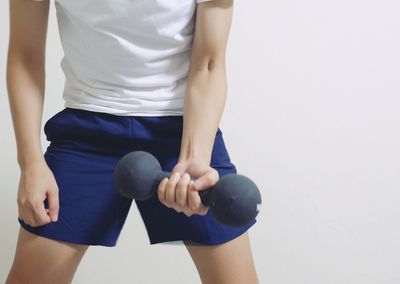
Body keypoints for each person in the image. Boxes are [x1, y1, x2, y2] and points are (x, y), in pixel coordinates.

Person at [6, 0, 259, 283]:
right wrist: (30, 163)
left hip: (182, 130)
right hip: (87, 133)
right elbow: (25, 56)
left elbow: (209, 63)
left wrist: (195, 156)